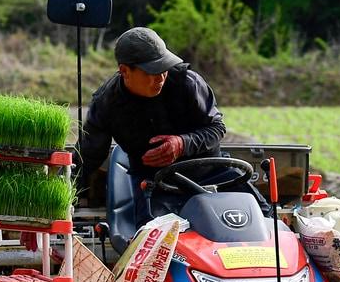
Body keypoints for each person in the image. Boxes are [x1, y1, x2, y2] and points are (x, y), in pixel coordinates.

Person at [76, 27, 227, 195]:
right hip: (152, 185)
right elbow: (87, 158)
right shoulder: (106, 103)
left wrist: (182, 143)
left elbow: (217, 129)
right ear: (125, 71)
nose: (161, 77)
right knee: (150, 221)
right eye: (153, 70)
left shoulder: (188, 82)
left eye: (165, 67)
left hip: (213, 174)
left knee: (259, 213)